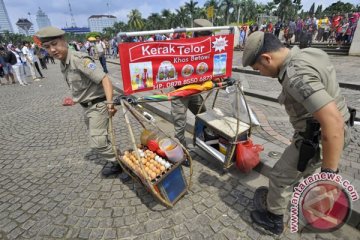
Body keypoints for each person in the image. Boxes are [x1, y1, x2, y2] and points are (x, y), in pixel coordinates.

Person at [242, 31, 352, 235]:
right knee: (295, 172)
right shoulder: (309, 53)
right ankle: (285, 196)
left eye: (259, 69)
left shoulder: (296, 75)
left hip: (318, 139)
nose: (261, 74)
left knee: (279, 176)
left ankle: (273, 220)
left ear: (267, 58)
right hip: (319, 132)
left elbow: (333, 122)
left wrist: (329, 177)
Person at [35, 26, 129, 180]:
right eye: (47, 47)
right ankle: (117, 162)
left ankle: (124, 164)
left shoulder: (79, 60)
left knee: (97, 142)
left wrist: (110, 103)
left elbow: (104, 79)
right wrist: (76, 98)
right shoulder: (63, 62)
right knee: (102, 138)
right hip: (87, 106)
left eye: (54, 44)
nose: (52, 50)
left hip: (98, 105)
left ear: (63, 42)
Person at [171, 18, 213, 167]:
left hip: (194, 90)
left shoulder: (206, 46)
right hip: (180, 92)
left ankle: (202, 140)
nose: (208, 38)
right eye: (205, 34)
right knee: (180, 125)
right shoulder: (182, 45)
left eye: (209, 35)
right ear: (196, 33)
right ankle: (182, 153)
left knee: (204, 115)